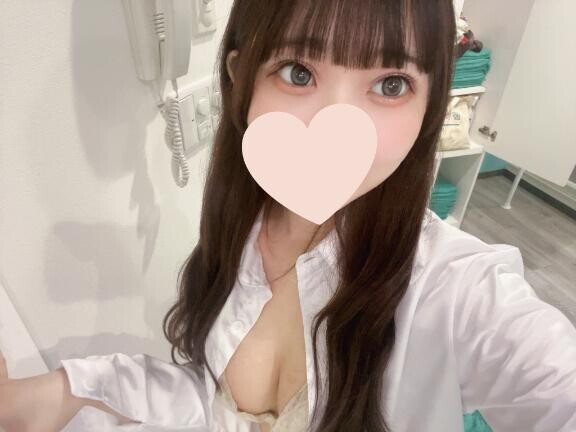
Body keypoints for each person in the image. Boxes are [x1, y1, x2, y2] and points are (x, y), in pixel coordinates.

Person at [1, 0, 576, 431]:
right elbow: (217, 403)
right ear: (240, 78)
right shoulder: (244, 226)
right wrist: (68, 390)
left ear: (430, 106)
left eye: (390, 84)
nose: (336, 128)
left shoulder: (455, 290)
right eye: (298, 72)